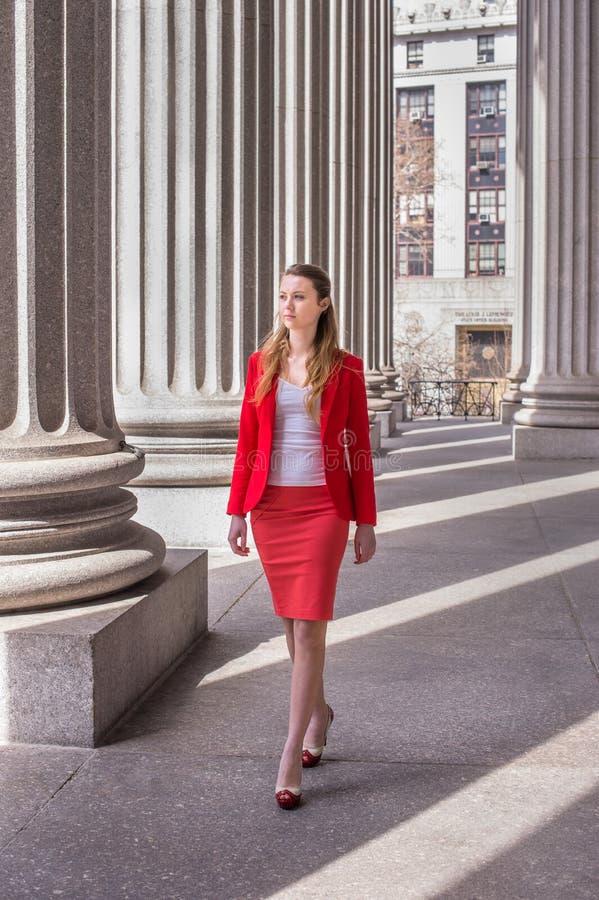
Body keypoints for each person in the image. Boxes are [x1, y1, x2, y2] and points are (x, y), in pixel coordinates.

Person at [226, 263, 377, 809]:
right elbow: (247, 441)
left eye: (300, 296)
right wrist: (238, 509)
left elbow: (359, 450)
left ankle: (291, 752)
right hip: (271, 508)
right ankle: (320, 713)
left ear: (323, 305)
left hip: (323, 509)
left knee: (310, 628)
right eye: (283, 295)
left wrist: (366, 521)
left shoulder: (348, 371)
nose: (288, 305)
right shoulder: (261, 363)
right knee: (292, 626)